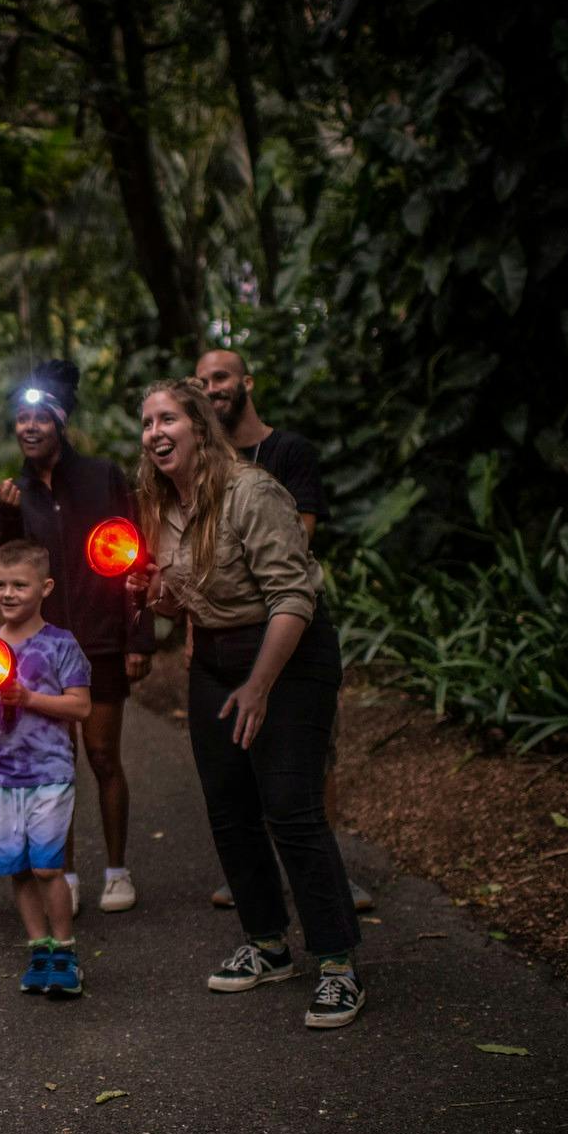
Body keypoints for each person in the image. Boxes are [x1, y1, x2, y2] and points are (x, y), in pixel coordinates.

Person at [132, 377, 366, 1029]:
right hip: (216, 658)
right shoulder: (161, 503)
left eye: (167, 418)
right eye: (146, 422)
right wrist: (159, 594)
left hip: (288, 654)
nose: (154, 432)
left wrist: (259, 687)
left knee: (290, 806)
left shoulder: (251, 492)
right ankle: (267, 944)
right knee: (230, 807)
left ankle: (337, 963)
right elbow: (185, 601)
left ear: (200, 427)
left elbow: (293, 596)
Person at [193, 348, 373, 915]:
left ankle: (326, 871)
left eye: (221, 377)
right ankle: (257, 872)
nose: (212, 388)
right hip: (228, 633)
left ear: (247, 382)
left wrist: (234, 563)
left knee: (310, 756)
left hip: (290, 620)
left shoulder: (288, 451)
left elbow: (299, 533)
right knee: (239, 754)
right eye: (202, 382)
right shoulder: (201, 461)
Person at [0, 360, 154, 916]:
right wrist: (6, 517)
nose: (29, 426)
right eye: (21, 418)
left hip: (101, 641)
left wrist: (139, 637)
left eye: (40, 417)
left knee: (103, 756)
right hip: (42, 652)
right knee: (55, 766)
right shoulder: (15, 491)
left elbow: (135, 556)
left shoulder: (102, 477)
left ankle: (117, 871)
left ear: (60, 422)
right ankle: (67, 874)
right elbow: (6, 570)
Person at [0, 541, 92, 997]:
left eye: (19, 585)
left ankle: (65, 952)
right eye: (0, 584)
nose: (8, 593)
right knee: (18, 868)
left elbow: (81, 707)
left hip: (50, 772)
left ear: (45, 587)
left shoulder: (61, 644)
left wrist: (29, 698)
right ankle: (39, 949)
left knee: (48, 867)